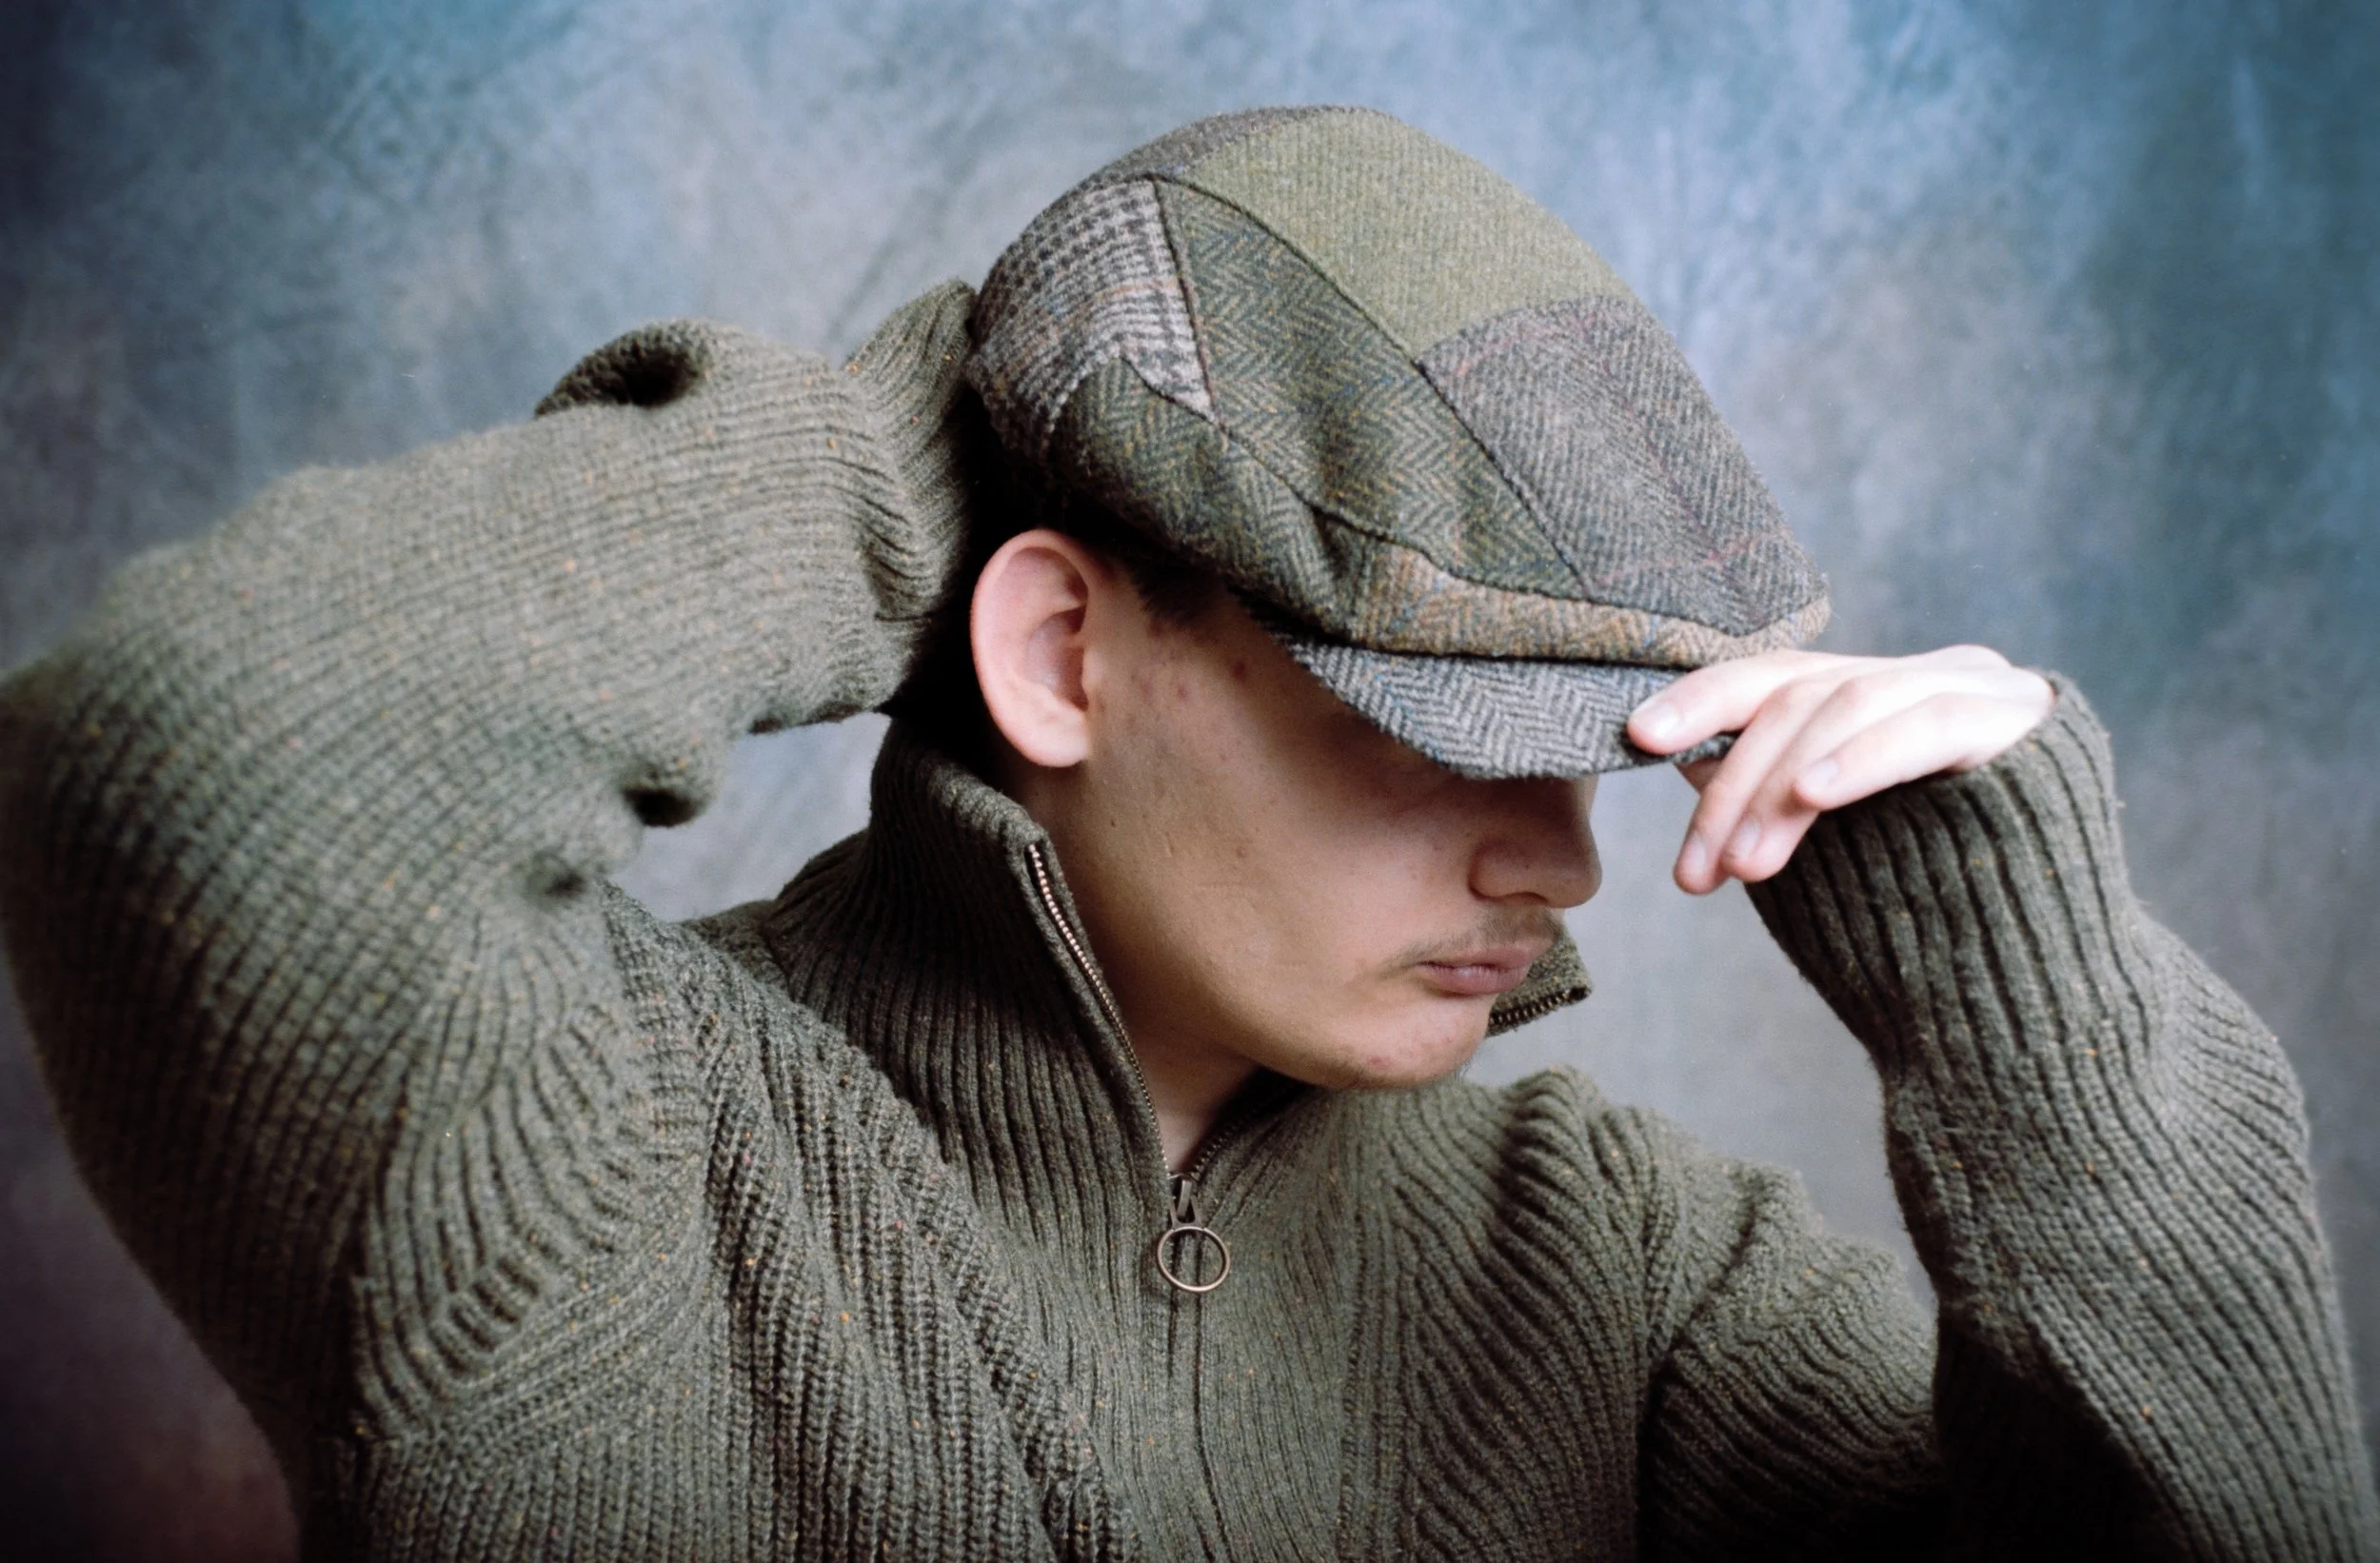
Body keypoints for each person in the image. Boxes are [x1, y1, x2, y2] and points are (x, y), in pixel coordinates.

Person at [0, 105, 2370, 1560]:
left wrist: (2028, 996)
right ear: (1057, 648)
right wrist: (936, 441)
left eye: (1596, 748)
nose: (1560, 862)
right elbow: (198, 746)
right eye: (1433, 727)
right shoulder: (580, 1148)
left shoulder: (1633, 1269)